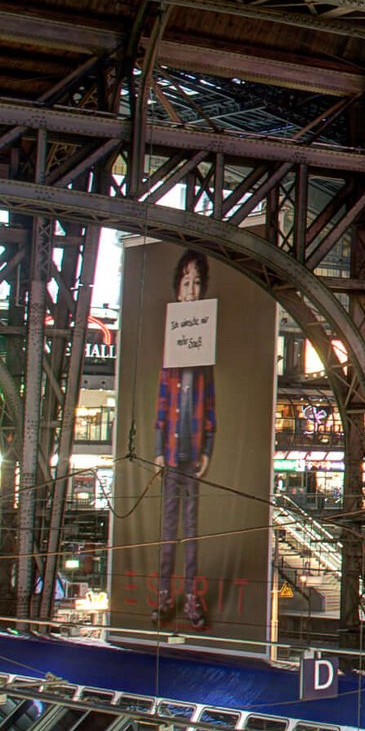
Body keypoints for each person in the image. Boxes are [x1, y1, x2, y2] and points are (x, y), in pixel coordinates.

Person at [154, 248, 215, 629]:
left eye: (196, 283)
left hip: (193, 452)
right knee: (167, 530)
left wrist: (208, 446)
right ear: (178, 289)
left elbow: (210, 400)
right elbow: (162, 401)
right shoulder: (172, 342)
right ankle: (163, 596)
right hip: (173, 451)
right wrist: (159, 449)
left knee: (191, 530)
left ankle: (191, 598)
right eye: (186, 282)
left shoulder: (203, 341)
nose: (191, 290)